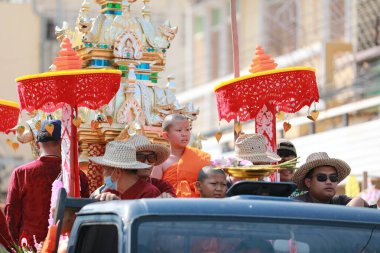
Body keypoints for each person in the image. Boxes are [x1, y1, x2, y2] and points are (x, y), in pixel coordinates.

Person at [5, 120, 89, 248]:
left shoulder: (21, 173)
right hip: (65, 246)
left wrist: (16, 246)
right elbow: (84, 214)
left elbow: (11, 215)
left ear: (38, 144)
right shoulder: (78, 176)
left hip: (29, 246)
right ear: (62, 143)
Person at [151, 114, 211, 197]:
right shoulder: (161, 161)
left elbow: (210, 183)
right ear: (166, 135)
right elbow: (154, 190)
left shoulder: (200, 157)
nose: (184, 134)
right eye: (179, 130)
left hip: (198, 206)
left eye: (187, 129)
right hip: (170, 206)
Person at [90, 141, 161, 201]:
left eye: (105, 170)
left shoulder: (149, 193)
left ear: (118, 172)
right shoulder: (111, 191)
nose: (104, 174)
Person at [293, 152, 368, 206]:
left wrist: (358, 201)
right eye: (321, 177)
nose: (329, 182)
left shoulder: (341, 201)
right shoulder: (297, 204)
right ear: (308, 182)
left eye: (333, 177)